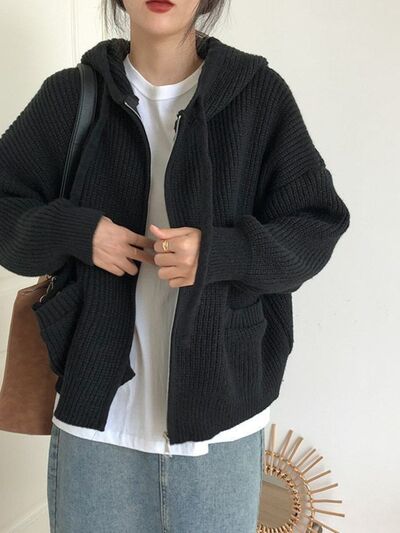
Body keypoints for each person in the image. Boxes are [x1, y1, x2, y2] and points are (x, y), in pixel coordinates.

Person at [0, 0, 350, 531]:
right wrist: (78, 232)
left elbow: (316, 225)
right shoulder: (71, 95)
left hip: (221, 429)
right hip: (98, 428)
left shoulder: (258, 97)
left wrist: (219, 253)